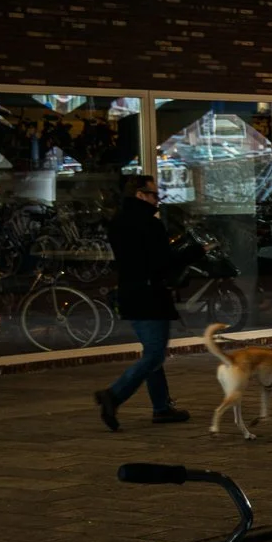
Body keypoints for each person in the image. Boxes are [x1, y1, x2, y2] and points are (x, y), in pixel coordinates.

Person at [95, 173, 190, 430]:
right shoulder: (149, 223)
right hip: (150, 294)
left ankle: (161, 407)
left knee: (152, 352)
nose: (158, 200)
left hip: (130, 293)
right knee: (155, 354)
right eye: (154, 194)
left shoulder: (118, 222)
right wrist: (190, 254)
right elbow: (161, 262)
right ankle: (114, 395)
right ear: (140, 195)